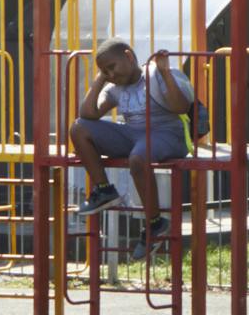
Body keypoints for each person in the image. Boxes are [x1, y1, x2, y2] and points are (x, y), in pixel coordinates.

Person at [76, 40, 205, 238]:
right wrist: (99, 81)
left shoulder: (155, 75)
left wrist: (165, 73)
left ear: (129, 56)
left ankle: (155, 223)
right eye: (104, 71)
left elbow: (180, 107)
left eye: (111, 68)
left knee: (138, 158)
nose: (111, 75)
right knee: (79, 128)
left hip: (167, 134)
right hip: (135, 135)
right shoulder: (114, 88)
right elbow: (88, 114)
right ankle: (104, 190)